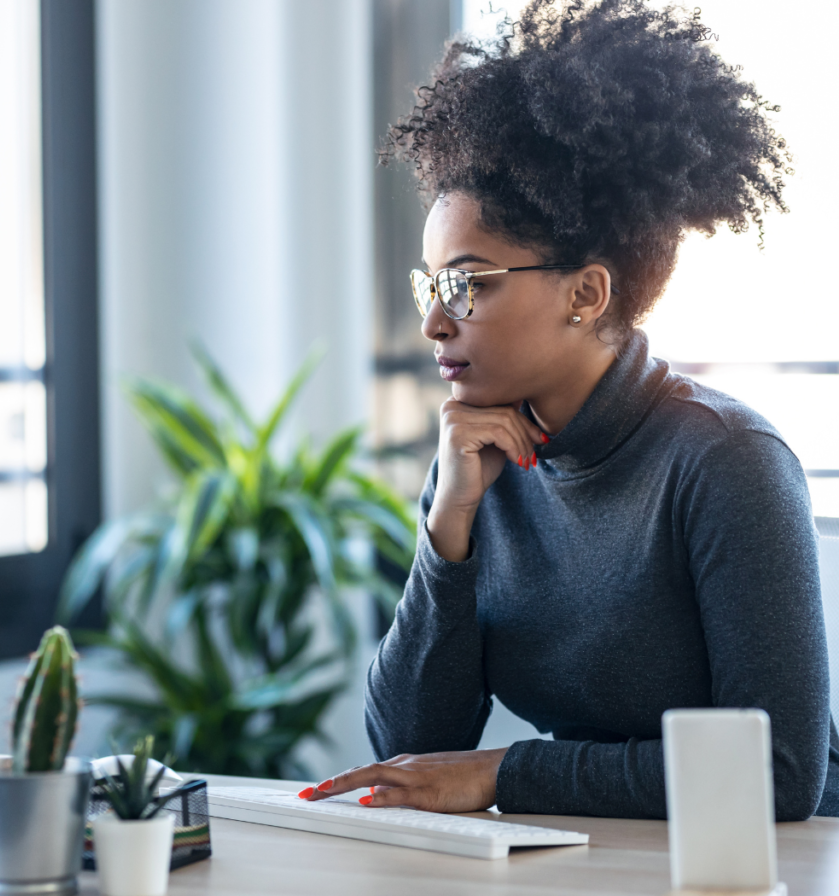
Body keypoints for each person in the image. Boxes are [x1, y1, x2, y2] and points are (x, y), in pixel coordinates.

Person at [299, 0, 839, 820]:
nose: (433, 322)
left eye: (468, 284)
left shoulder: (726, 460)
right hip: (599, 863)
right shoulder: (479, 459)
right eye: (430, 283)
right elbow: (410, 743)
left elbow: (779, 774)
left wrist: (506, 774)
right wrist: (447, 533)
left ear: (586, 294)